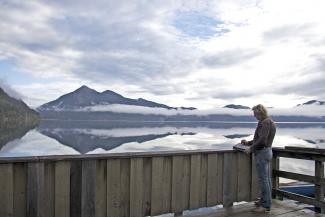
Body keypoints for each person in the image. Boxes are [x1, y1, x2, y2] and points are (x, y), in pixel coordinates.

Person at [241, 104, 276, 213]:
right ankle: (265, 201)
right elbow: (259, 139)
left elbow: (262, 141)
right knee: (266, 179)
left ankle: (265, 205)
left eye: (255, 113)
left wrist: (251, 149)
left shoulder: (265, 122)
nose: (254, 116)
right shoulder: (268, 121)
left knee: (264, 179)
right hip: (267, 151)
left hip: (262, 153)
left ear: (260, 112)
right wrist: (248, 143)